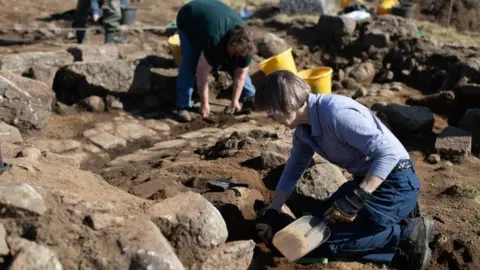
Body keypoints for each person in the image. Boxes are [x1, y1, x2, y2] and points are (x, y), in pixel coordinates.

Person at [254, 71, 435, 270]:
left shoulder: (336, 113)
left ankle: (408, 232)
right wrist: (273, 210)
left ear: (284, 101)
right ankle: (392, 218)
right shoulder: (304, 130)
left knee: (331, 245)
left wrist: (359, 196)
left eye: (270, 110)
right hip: (366, 180)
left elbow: (389, 153)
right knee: (315, 219)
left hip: (394, 181)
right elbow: (292, 170)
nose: (269, 116)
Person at [175, 0, 257, 122]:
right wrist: (205, 103)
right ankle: (183, 104)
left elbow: (240, 74)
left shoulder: (247, 47)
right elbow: (202, 74)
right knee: (190, 61)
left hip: (215, 17)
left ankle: (249, 97)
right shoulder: (215, 41)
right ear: (230, 43)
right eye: (233, 51)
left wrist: (234, 101)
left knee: (236, 64)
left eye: (238, 53)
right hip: (189, 16)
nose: (234, 55)